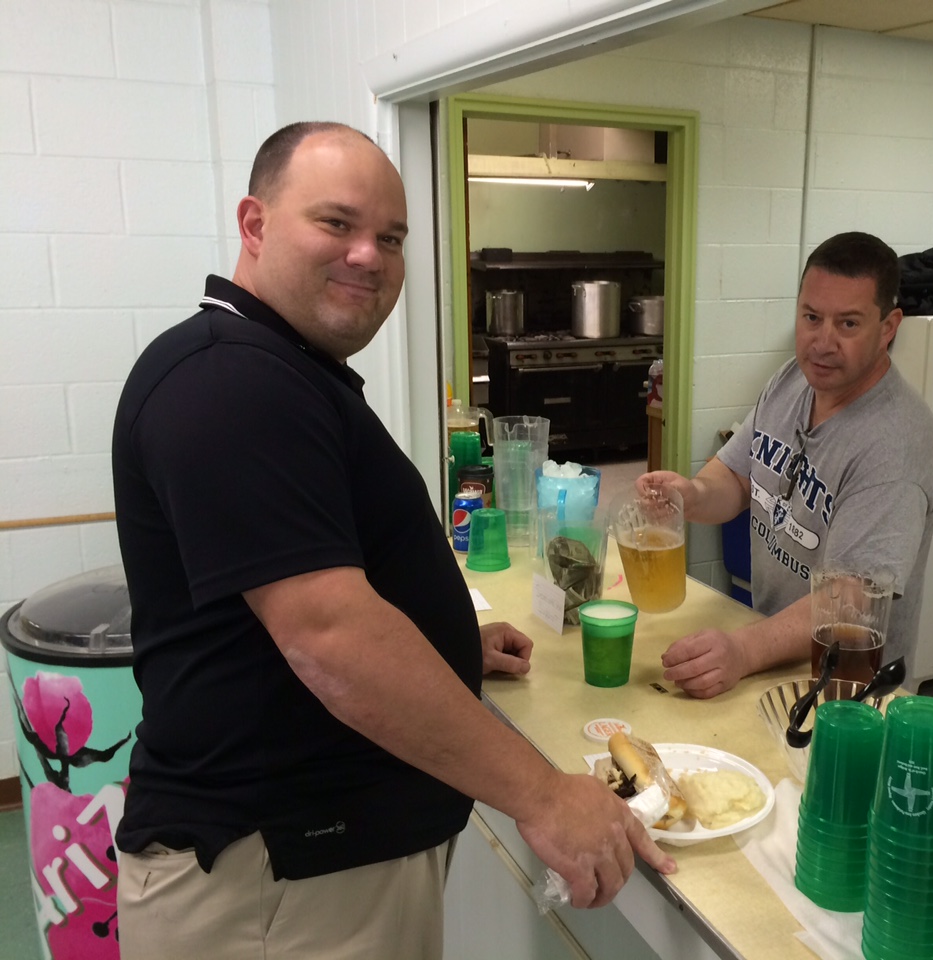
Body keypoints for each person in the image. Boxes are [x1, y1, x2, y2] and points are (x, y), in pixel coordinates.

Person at [111, 121, 674, 960]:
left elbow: (303, 595)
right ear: (255, 224)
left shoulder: (283, 368)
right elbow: (329, 636)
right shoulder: (231, 381)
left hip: (310, 865)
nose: (369, 256)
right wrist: (545, 796)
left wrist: (447, 644)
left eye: (392, 238)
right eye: (337, 223)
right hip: (275, 882)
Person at [639, 232, 933, 699]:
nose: (823, 342)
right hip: (770, 659)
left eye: (848, 323)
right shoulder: (792, 381)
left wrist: (743, 650)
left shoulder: (897, 446)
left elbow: (850, 601)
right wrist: (691, 495)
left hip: (844, 691)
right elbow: (738, 477)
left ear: (888, 327)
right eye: (811, 317)